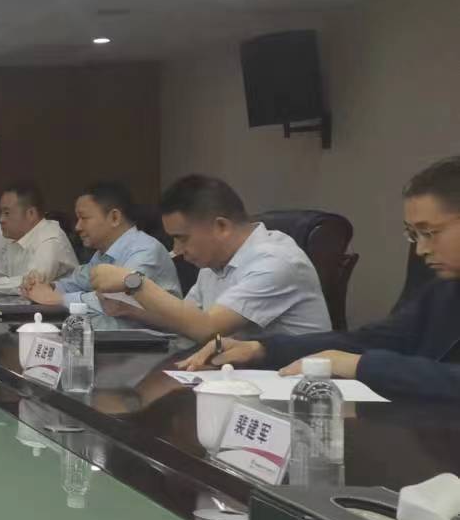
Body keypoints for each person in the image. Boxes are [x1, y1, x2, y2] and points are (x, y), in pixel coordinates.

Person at [182, 157, 460, 399]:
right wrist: (261, 349)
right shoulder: (442, 292)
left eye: (429, 232)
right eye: (414, 235)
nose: (421, 249)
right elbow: (369, 340)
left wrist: (359, 366)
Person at [91, 174, 329, 343]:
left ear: (221, 227)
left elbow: (208, 328)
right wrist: (129, 310)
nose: (177, 250)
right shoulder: (213, 263)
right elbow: (187, 320)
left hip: (293, 391)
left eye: (182, 238)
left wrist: (135, 282)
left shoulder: (276, 262)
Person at [25, 180, 178, 316]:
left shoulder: (145, 251)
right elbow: (77, 283)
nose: (77, 227)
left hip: (155, 338)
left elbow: (119, 300)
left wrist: (59, 299)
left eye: (84, 218)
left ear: (114, 218)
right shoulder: (103, 254)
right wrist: (46, 287)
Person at [0, 182, 77, 293]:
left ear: (31, 214)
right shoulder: (14, 238)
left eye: (7, 213)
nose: (1, 219)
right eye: (1, 213)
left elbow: (29, 284)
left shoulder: (50, 240)